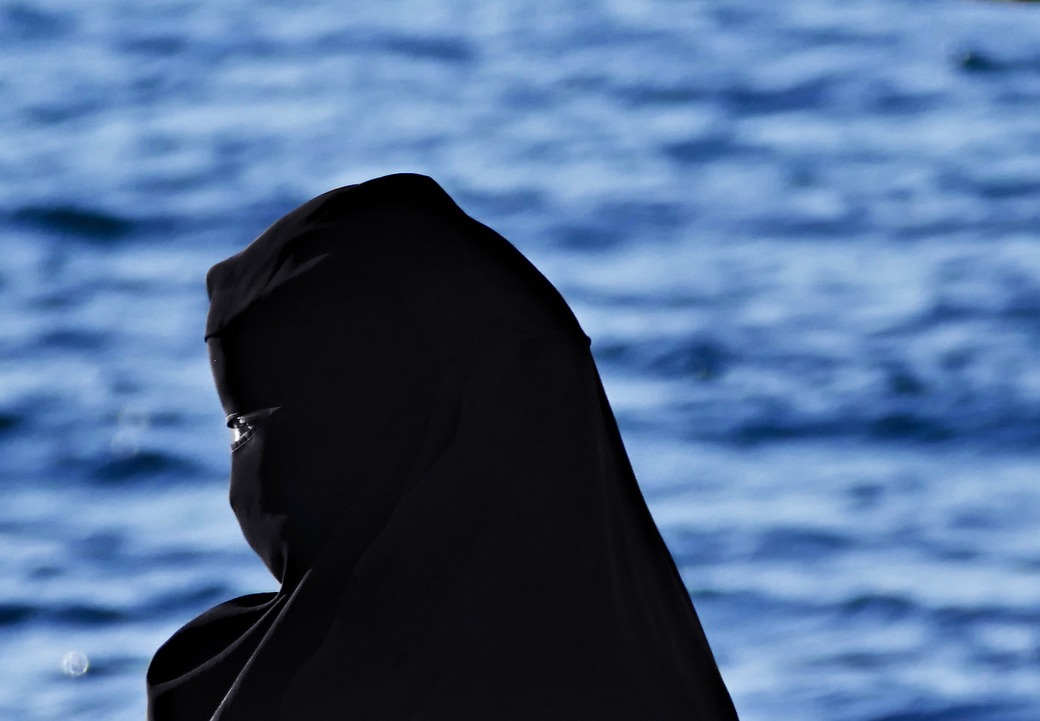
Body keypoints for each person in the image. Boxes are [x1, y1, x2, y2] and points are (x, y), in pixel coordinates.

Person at [147, 173, 740, 720]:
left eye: (244, 429)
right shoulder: (661, 678)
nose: (241, 477)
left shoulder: (248, 689)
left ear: (370, 434)